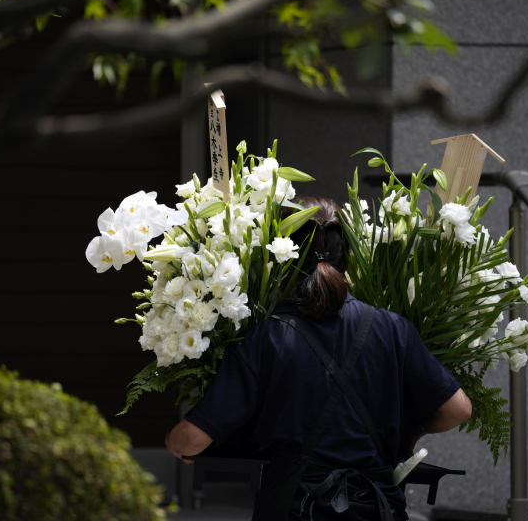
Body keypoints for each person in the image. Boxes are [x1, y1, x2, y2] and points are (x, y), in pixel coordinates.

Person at [165, 196, 472, 521]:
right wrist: (412, 433)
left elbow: (193, 439)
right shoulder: (394, 329)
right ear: (349, 259)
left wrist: (176, 443)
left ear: (283, 260)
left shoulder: (268, 338)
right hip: (376, 507)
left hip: (297, 508)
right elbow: (458, 409)